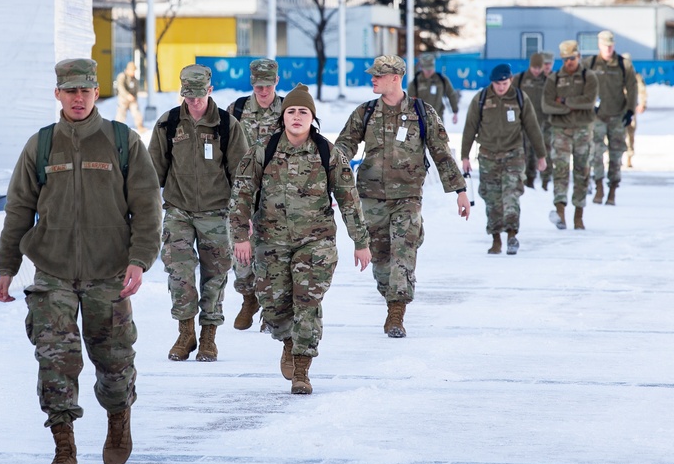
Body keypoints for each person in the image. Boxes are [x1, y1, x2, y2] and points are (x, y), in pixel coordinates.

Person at [0, 58, 162, 464]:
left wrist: (139, 259)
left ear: (96, 92)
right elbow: (19, 209)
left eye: (86, 90)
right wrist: (7, 265)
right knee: (56, 361)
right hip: (53, 271)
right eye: (70, 91)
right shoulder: (41, 145)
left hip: (109, 272)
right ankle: (64, 449)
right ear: (57, 94)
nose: (79, 97)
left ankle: (118, 421)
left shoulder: (122, 141)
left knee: (114, 361)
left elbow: (147, 206)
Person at [229, 84, 370, 394]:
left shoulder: (326, 151)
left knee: (307, 304)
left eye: (303, 111)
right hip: (271, 242)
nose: (296, 116)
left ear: (312, 117)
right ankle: (288, 341)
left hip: (315, 243)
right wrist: (240, 235)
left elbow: (349, 198)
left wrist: (360, 241)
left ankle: (302, 368)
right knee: (276, 306)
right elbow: (241, 194)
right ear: (283, 116)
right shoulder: (262, 150)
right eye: (291, 111)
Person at [335, 55, 470, 338]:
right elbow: (344, 145)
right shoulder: (366, 112)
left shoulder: (422, 112)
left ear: (395, 78)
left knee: (403, 254)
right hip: (370, 198)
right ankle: (390, 297)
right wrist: (333, 174)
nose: (372, 79)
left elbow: (441, 152)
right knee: (381, 261)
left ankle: (397, 313)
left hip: (408, 197)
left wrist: (460, 191)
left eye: (378, 75)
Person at [149, 64, 249, 362]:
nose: (193, 101)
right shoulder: (168, 124)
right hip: (178, 211)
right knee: (179, 274)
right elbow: (152, 173)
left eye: (198, 95)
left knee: (214, 275)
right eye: (187, 96)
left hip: (217, 213)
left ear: (209, 90)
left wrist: (242, 218)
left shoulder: (227, 126)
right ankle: (185, 332)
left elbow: (241, 176)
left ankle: (208, 336)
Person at [462, 64, 547, 255]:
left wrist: (541, 155)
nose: (501, 87)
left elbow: (533, 128)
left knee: (511, 194)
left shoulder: (519, 98)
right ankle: (495, 239)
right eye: (498, 83)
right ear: (492, 82)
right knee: (492, 199)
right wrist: (464, 156)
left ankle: (511, 235)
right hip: (487, 156)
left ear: (510, 81)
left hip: (513, 155)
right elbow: (470, 128)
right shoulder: (482, 99)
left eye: (505, 83)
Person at [226, 58, 284, 330]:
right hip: (243, 192)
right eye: (258, 86)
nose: (263, 92)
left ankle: (270, 309)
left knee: (274, 254)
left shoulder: (288, 109)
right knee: (241, 254)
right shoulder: (236, 110)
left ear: (276, 82)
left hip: (279, 193)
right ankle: (249, 296)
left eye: (268, 86)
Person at [543, 40, 599, 230]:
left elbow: (589, 102)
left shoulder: (589, 77)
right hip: (560, 131)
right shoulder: (554, 79)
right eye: (566, 59)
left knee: (582, 171)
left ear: (579, 56)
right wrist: (571, 105)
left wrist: (564, 101)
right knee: (560, 171)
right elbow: (546, 105)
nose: (569, 62)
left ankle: (579, 215)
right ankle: (560, 212)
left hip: (583, 130)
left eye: (572, 58)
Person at [583, 30, 638, 205]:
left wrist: (630, 111)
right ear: (599, 45)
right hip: (597, 117)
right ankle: (599, 186)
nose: (608, 48)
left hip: (617, 116)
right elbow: (580, 85)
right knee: (596, 153)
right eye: (605, 45)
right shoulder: (590, 63)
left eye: (611, 45)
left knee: (616, 155)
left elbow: (632, 88)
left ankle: (612, 190)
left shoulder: (623, 64)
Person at [514, 53, 551, 190]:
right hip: (523, 122)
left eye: (539, 68)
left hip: (542, 122)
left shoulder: (547, 80)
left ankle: (534, 178)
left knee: (538, 152)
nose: (536, 71)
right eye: (534, 67)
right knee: (523, 151)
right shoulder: (521, 79)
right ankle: (523, 179)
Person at [408, 52, 459, 125]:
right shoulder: (415, 82)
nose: (429, 71)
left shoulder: (441, 80)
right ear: (422, 67)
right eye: (427, 69)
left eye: (431, 69)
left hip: (438, 119)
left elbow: (451, 95)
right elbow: (410, 100)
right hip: (420, 120)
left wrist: (455, 112)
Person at [624, 61, 647, 168]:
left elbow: (642, 90)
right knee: (614, 134)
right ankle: (614, 157)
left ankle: (629, 157)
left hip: (630, 108)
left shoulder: (635, 76)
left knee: (630, 132)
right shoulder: (616, 74)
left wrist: (642, 103)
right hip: (615, 109)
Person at [114, 60, 146, 132]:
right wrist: (127, 95)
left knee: (136, 112)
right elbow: (120, 87)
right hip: (123, 99)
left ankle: (140, 126)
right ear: (128, 70)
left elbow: (136, 90)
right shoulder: (122, 76)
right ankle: (118, 128)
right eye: (132, 71)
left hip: (132, 99)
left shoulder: (135, 79)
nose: (133, 72)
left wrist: (134, 98)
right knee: (121, 114)